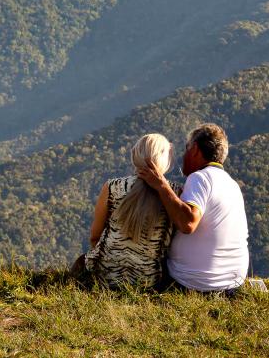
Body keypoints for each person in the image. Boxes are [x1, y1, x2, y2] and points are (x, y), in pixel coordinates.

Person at [137, 123, 249, 292]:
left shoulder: (200, 178)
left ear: (195, 149)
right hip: (233, 282)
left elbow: (187, 223)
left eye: (186, 148)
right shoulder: (231, 184)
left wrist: (161, 186)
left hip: (193, 282)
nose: (184, 155)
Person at [77, 133, 182, 288]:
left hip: (104, 277)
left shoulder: (112, 188)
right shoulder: (174, 194)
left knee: (80, 261)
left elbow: (95, 236)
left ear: (134, 155)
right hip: (148, 281)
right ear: (167, 160)